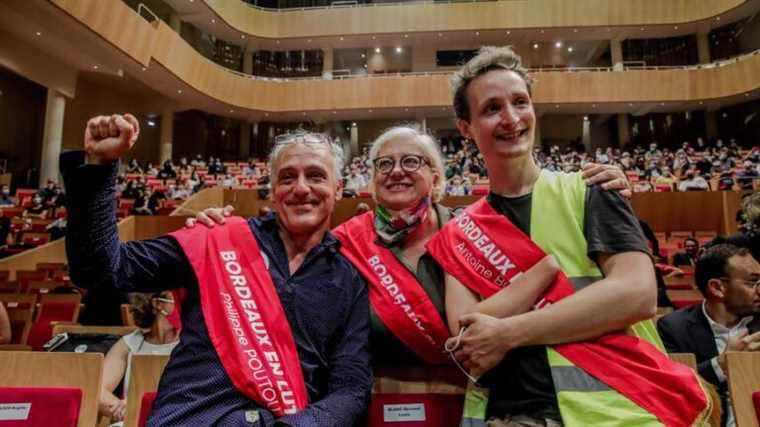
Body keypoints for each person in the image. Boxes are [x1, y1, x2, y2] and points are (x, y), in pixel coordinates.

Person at [194, 125, 633, 425]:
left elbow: (547, 268)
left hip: (476, 402)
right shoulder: (347, 241)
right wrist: (215, 224)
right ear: (370, 181)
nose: (397, 171)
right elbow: (280, 257)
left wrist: (600, 186)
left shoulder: (476, 233)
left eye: (412, 162)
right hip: (371, 403)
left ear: (438, 179)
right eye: (384, 164)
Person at [427, 46, 710, 426]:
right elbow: (466, 336)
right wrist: (540, 276)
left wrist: (507, 332)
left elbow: (637, 294)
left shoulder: (591, 189)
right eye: (491, 108)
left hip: (619, 411)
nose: (511, 118)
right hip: (513, 415)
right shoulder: (460, 232)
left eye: (520, 102)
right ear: (466, 128)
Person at [64, 114, 371, 425]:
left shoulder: (349, 279)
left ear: (339, 188)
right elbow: (99, 271)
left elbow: (351, 388)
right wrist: (100, 168)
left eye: (316, 176)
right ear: (272, 188)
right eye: (288, 177)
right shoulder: (215, 237)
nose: (301, 188)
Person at [657, 244, 760, 426]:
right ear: (717, 287)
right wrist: (721, 364)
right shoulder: (674, 328)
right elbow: (671, 390)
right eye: (753, 282)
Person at [99, 291, 179, 424]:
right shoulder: (130, 343)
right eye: (177, 297)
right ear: (158, 304)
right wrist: (124, 409)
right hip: (131, 421)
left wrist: (141, 409)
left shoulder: (191, 344)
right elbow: (99, 389)